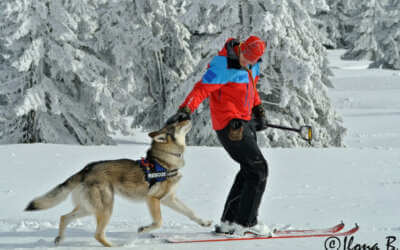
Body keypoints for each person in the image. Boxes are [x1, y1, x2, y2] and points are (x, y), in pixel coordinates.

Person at [165, 36, 271, 236]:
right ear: (241, 49)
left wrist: (259, 110)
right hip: (229, 126)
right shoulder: (223, 65)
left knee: (249, 170)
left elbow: (252, 88)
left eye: (251, 61)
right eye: (245, 58)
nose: (246, 63)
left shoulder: (253, 65)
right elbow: (202, 89)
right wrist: (186, 109)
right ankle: (246, 224)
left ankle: (230, 222)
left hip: (245, 123)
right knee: (259, 169)